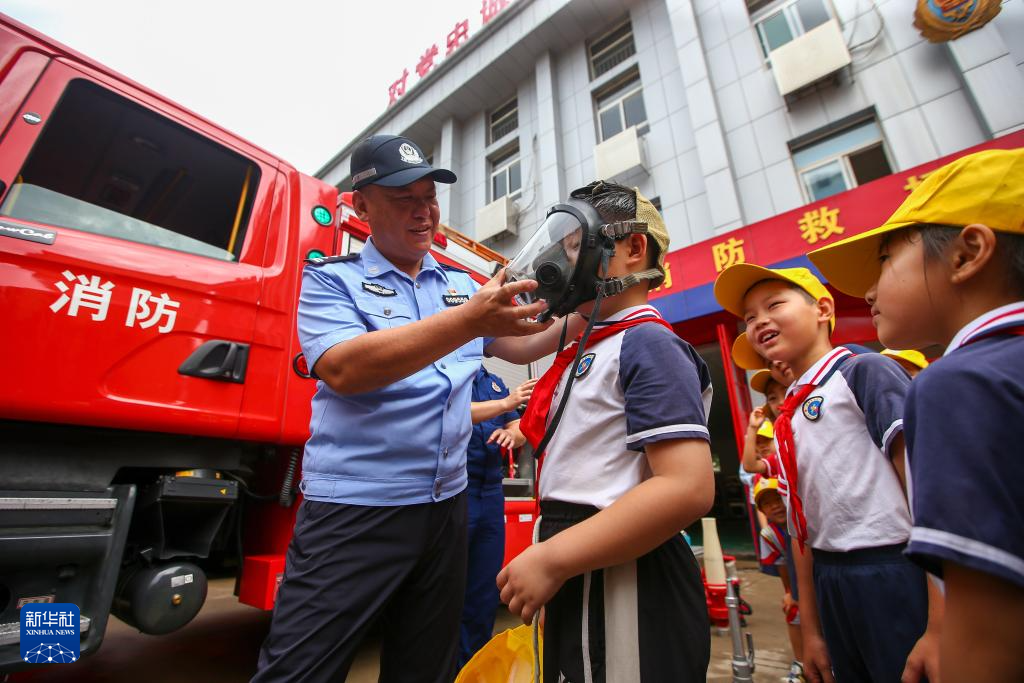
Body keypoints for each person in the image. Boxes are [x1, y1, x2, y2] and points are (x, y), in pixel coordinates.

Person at [253, 134, 581, 683]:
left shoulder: (459, 286)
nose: (424, 211)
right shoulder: (333, 281)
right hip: (355, 510)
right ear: (361, 206)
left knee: (425, 665)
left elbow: (522, 342)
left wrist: (603, 301)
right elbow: (345, 368)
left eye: (429, 197)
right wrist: (469, 321)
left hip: (445, 507)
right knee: (299, 669)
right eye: (404, 197)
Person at [808, 147, 1024, 683]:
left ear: (968, 252)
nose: (869, 290)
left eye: (885, 259)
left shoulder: (958, 383)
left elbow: (988, 638)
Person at [497, 181, 715, 682]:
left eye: (579, 245)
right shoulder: (594, 340)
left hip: (629, 575)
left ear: (633, 249)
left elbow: (687, 487)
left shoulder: (647, 344)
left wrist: (552, 559)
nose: (566, 261)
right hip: (586, 560)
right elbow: (511, 341)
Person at [713, 264, 939, 683]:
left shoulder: (863, 372)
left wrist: (940, 625)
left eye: (774, 304)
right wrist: (812, 629)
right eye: (748, 317)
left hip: (894, 571)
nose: (759, 320)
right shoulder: (791, 415)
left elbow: (927, 491)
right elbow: (803, 528)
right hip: (830, 578)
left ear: (822, 308)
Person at [459, 368, 535, 669]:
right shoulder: (446, 371)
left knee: (483, 592)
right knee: (447, 591)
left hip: (490, 492)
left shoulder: (495, 382)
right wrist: (506, 403)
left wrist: (511, 433)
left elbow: (518, 428)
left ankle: (472, 668)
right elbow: (446, 413)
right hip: (455, 488)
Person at [754, 477, 805, 683]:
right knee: (793, 610)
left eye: (777, 499)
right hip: (797, 581)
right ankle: (800, 663)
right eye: (767, 503)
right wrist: (790, 592)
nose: (775, 505)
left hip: (819, 577)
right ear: (762, 511)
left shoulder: (804, 517)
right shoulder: (770, 534)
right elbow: (783, 565)